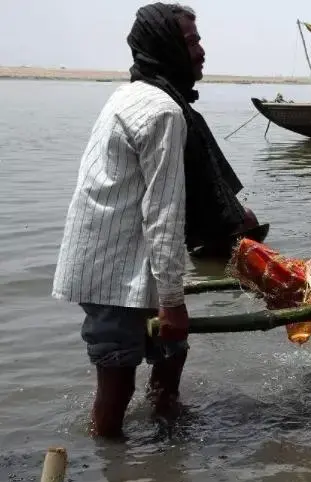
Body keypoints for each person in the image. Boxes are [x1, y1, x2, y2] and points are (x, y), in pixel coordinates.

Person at [51, 3, 255, 438]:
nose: (201, 51)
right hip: (112, 266)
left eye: (199, 40)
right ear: (165, 48)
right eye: (190, 42)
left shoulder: (132, 94)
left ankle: (167, 444)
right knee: (118, 377)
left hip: (122, 255)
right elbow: (164, 214)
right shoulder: (163, 111)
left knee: (172, 351)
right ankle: (111, 463)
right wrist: (173, 301)